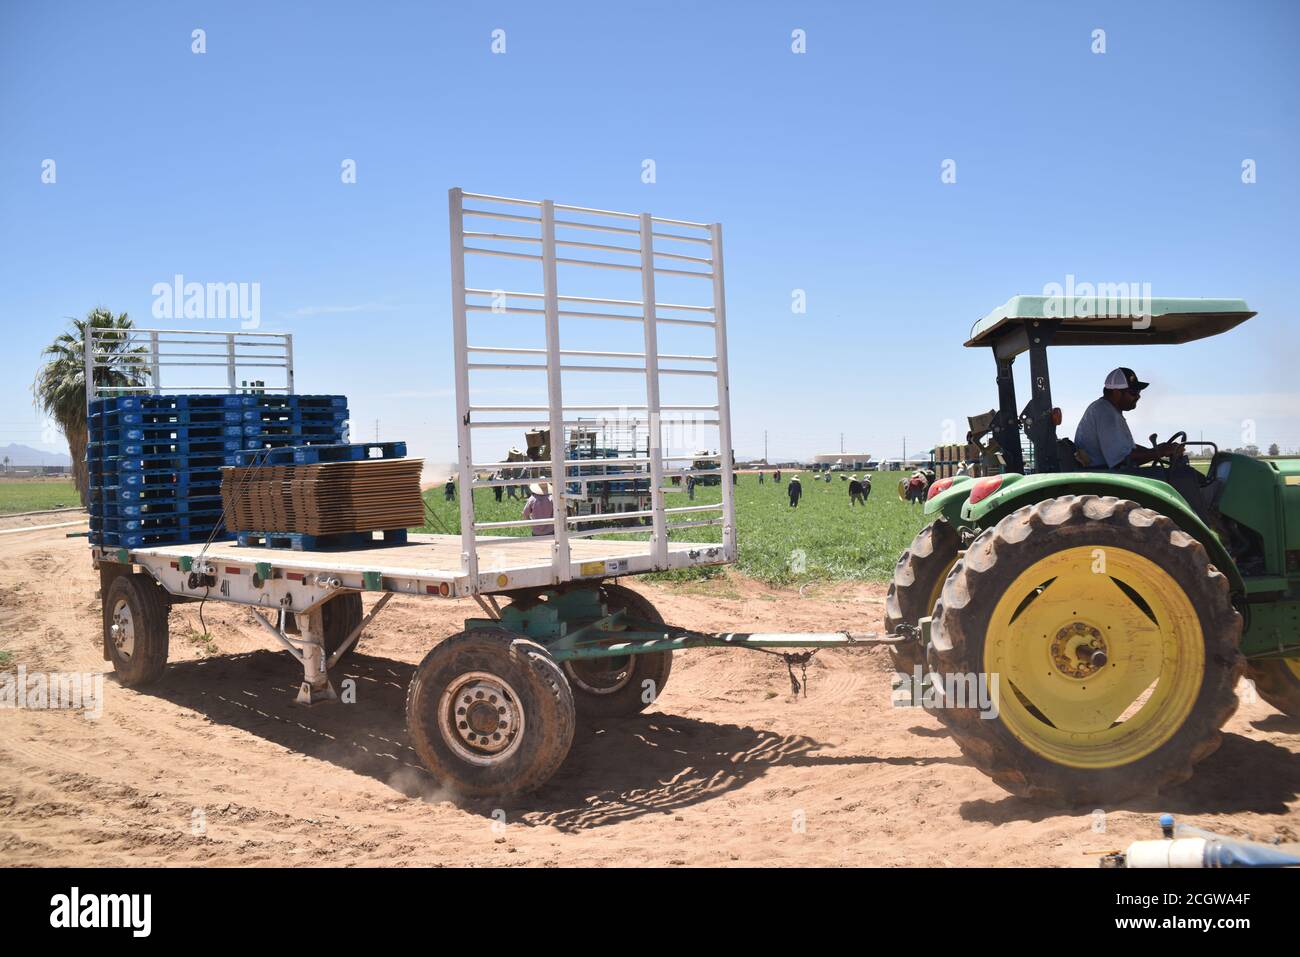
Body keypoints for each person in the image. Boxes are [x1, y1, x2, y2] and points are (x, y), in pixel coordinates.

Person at [1073, 367, 1213, 521]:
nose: (1138, 396)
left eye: (1138, 392)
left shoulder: (1107, 410)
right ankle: (1202, 519)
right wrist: (1159, 452)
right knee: (1183, 475)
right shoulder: (1105, 413)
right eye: (1133, 393)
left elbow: (1128, 448)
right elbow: (1122, 458)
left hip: (1109, 472)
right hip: (1107, 475)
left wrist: (1157, 450)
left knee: (1179, 474)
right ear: (1116, 392)